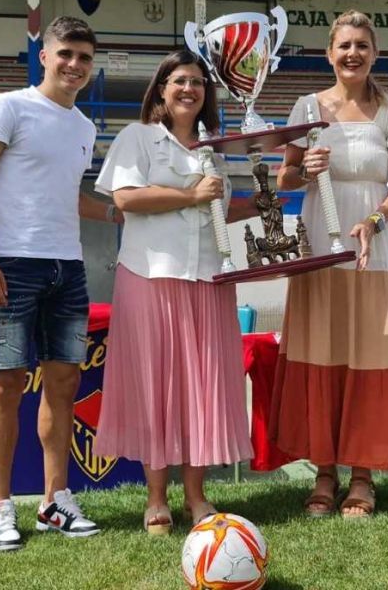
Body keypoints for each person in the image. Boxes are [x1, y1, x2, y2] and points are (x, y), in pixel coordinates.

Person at [0, 16, 122, 551]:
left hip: (66, 268)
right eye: (66, 53)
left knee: (64, 385)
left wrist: (127, 213)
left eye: (85, 58)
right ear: (44, 55)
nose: (75, 65)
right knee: (5, 386)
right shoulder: (9, 106)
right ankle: (0, 508)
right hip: (11, 266)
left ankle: (55, 500)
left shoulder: (83, 127)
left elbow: (69, 196)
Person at [93, 50, 256, 535]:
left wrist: (268, 199)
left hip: (208, 277)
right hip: (150, 276)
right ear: (162, 88)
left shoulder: (215, 147)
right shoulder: (138, 137)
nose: (190, 89)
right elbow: (126, 199)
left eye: (199, 82)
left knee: (199, 388)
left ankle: (197, 496)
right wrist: (190, 196)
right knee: (156, 387)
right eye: (180, 80)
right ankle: (156, 499)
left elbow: (217, 211)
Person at [268, 10, 388, 519]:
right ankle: (324, 472)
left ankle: (362, 476)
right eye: (344, 46)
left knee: (370, 357)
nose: (352, 54)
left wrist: (374, 220)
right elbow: (284, 178)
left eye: (362, 45)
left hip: (374, 251)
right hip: (319, 249)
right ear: (329, 54)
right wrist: (302, 171)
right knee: (323, 354)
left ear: (373, 53)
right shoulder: (307, 107)